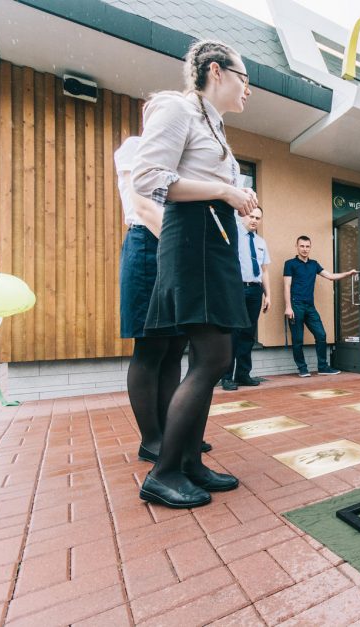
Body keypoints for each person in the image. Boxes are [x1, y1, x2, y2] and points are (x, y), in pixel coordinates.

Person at [132, 40, 257, 508]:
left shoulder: (214, 122)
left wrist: (232, 198)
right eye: (245, 79)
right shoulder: (176, 108)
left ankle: (188, 463)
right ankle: (163, 472)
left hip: (212, 241)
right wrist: (225, 191)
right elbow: (146, 179)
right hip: (193, 242)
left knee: (210, 357)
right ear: (217, 71)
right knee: (213, 358)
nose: (249, 90)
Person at [115, 136, 192, 464]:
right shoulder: (135, 146)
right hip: (148, 242)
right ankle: (151, 439)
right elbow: (144, 202)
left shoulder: (179, 158)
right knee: (151, 346)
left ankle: (169, 432)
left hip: (177, 245)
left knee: (175, 346)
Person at [283, 235, 356, 377]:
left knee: (321, 334)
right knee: (298, 339)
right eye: (302, 246)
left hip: (310, 306)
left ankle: (323, 367)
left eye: (307, 246)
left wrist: (348, 273)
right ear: (297, 247)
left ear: (310, 247)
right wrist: (288, 307)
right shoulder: (290, 263)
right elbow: (286, 286)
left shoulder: (314, 264)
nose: (305, 249)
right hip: (295, 305)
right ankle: (302, 368)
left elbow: (330, 276)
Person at [221, 206, 270, 390]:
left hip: (255, 290)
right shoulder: (232, 236)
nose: (254, 220)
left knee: (248, 334)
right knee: (233, 333)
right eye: (251, 216)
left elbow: (264, 271)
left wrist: (268, 295)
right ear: (243, 217)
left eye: (258, 217)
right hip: (236, 289)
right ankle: (226, 376)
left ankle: (242, 374)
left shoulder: (261, 242)